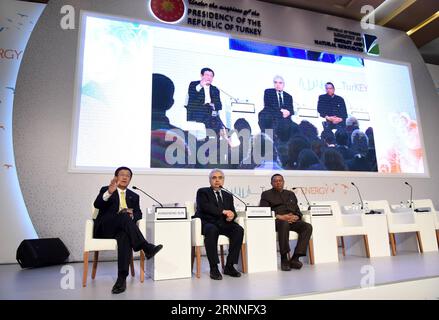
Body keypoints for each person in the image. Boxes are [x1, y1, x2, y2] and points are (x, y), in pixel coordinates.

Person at [93, 167, 163, 294]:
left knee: (125, 236)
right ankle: (146, 247)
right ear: (116, 177)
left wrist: (132, 216)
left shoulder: (134, 195)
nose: (125, 177)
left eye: (128, 176)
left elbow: (139, 214)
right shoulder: (106, 190)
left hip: (123, 228)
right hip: (105, 228)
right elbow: (97, 205)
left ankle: (121, 278)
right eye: (122, 175)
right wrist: (109, 192)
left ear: (130, 179)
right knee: (124, 216)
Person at [194, 169, 244, 280]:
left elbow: (232, 211)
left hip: (224, 223)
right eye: (214, 178)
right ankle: (214, 267)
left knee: (238, 230)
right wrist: (223, 211)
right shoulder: (202, 192)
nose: (217, 180)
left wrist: (232, 215)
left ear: (223, 180)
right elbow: (205, 207)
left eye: (220, 178)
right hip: (208, 222)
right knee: (212, 230)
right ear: (210, 180)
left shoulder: (228, 195)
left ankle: (229, 266)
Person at [259, 174, 313, 271]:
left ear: (283, 182)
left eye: (280, 180)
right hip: (277, 221)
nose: (278, 182)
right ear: (271, 183)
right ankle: (284, 258)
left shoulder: (291, 194)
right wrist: (280, 217)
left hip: (292, 220)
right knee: (284, 224)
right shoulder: (266, 194)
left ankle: (295, 258)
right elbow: (264, 211)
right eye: (275, 181)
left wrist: (297, 216)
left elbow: (298, 210)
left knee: (307, 227)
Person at [185, 67, 225, 135]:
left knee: (213, 117)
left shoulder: (215, 89)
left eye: (211, 76)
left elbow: (219, 105)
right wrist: (200, 86)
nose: (209, 77)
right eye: (207, 75)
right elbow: (192, 98)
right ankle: (224, 131)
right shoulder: (194, 84)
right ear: (201, 75)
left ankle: (221, 132)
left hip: (210, 112)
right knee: (215, 121)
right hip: (197, 112)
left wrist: (213, 105)